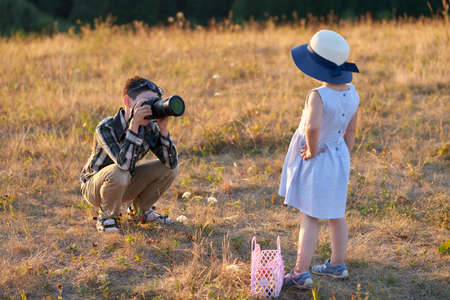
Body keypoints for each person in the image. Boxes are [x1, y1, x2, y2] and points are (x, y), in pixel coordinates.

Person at [279, 30, 360, 289]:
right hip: (338, 157)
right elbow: (351, 130)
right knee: (337, 213)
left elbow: (312, 128)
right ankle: (337, 264)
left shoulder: (318, 95)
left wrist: (312, 151)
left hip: (318, 158)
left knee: (310, 216)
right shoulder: (352, 93)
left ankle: (300, 272)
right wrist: (343, 153)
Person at [80, 76, 178, 232]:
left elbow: (171, 163)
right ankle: (107, 218)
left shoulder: (149, 127)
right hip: (95, 187)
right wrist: (134, 127)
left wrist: (163, 129)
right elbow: (123, 165)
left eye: (154, 103)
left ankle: (140, 213)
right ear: (127, 101)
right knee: (119, 171)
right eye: (145, 102)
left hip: (125, 180)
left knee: (170, 169)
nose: (150, 108)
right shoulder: (106, 127)